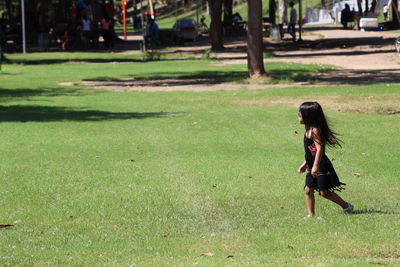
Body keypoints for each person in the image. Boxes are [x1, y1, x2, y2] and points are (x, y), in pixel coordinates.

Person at [297, 102, 354, 217]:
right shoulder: (307, 129)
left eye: (300, 114)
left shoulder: (315, 131)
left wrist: (315, 166)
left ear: (308, 116)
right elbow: (310, 151)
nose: (298, 116)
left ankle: (347, 206)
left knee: (324, 193)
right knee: (308, 190)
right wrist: (304, 164)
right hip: (311, 165)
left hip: (321, 165)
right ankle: (310, 215)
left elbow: (319, 149)